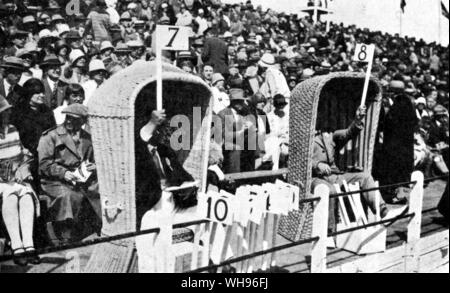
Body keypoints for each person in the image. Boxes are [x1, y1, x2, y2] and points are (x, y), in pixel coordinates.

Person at [312, 106, 391, 231]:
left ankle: (384, 212)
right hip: (315, 178)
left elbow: (348, 133)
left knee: (364, 177)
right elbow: (299, 159)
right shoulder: (306, 138)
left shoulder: (329, 135)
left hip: (334, 176)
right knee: (330, 191)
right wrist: (317, 165)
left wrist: (357, 120)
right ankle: (329, 230)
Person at [37, 104, 101, 244]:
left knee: (99, 189)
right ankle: (65, 233)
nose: (69, 121)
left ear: (83, 121)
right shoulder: (51, 136)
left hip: (80, 178)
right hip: (55, 180)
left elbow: (94, 158)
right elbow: (43, 164)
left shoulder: (87, 138)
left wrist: (94, 166)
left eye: (74, 119)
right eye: (68, 118)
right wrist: (64, 173)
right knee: (68, 195)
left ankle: (103, 226)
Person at [0, 95, 41, 266]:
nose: (7, 115)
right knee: (10, 197)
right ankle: (16, 245)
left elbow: (22, 154)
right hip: (2, 181)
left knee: (26, 196)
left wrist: (23, 168)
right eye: (3, 112)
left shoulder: (13, 129)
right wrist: (8, 173)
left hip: (15, 177)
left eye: (7, 111)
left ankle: (28, 245)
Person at [218, 88, 258, 174]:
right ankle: (233, 178)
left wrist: (251, 127)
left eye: (242, 101)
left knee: (253, 141)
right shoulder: (223, 114)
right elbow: (225, 135)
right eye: (237, 101)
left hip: (243, 140)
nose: (241, 104)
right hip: (227, 142)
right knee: (236, 148)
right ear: (231, 102)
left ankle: (251, 175)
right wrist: (241, 131)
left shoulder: (245, 112)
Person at [266, 94, 289, 169]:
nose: (281, 106)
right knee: (275, 147)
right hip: (274, 141)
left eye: (283, 104)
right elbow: (268, 134)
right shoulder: (269, 117)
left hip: (286, 140)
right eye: (279, 105)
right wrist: (278, 134)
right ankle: (274, 172)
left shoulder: (287, 116)